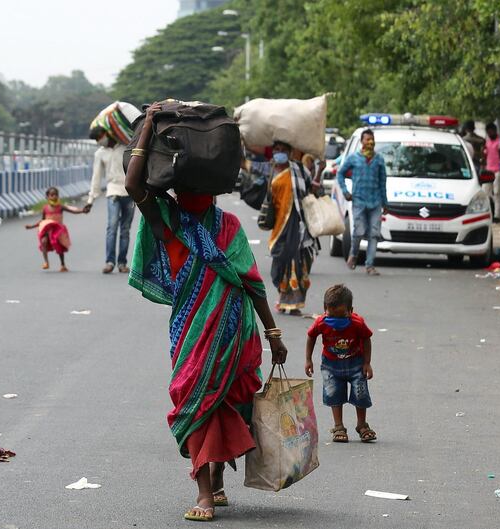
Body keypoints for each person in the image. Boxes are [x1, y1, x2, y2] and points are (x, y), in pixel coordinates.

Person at [124, 102, 289, 523]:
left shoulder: (202, 223)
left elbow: (251, 282)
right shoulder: (171, 219)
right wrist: (273, 335)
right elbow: (256, 287)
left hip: (228, 329)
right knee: (202, 399)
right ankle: (211, 481)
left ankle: (206, 492)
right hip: (199, 327)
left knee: (214, 403)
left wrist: (273, 336)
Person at [249, 141, 318, 314]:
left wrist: (320, 170)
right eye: (276, 150)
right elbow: (246, 165)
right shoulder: (269, 169)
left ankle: (294, 304)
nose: (279, 153)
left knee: (300, 263)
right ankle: (283, 296)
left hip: (299, 225)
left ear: (289, 152)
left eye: (283, 150)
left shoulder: (299, 170)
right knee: (278, 267)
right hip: (279, 226)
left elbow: (311, 188)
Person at [305, 284, 376, 443]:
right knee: (334, 394)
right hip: (331, 366)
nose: (336, 320)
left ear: (351, 310)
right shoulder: (321, 323)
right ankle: (338, 427)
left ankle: (362, 425)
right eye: (332, 315)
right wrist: (308, 359)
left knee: (360, 393)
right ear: (325, 309)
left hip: (356, 364)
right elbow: (311, 337)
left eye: (342, 316)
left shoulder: (357, 323)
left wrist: (367, 363)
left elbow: (366, 339)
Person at [336, 129, 388, 276]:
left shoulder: (379, 160)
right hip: (358, 200)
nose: (370, 142)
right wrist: (345, 191)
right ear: (362, 141)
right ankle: (353, 254)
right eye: (367, 139)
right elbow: (340, 174)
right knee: (358, 232)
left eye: (372, 139)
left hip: (376, 202)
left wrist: (385, 203)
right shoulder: (354, 158)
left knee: (374, 234)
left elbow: (383, 182)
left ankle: (370, 265)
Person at [85, 126, 136, 274]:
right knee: (112, 227)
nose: (99, 141)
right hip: (112, 191)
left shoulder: (127, 147)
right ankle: (109, 261)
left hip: (129, 192)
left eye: (98, 137)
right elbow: (96, 176)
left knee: (125, 229)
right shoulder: (100, 154)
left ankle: (122, 263)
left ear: (106, 133)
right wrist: (90, 200)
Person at [25, 187, 85, 271]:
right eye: (52, 195)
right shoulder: (45, 208)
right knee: (44, 242)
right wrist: (31, 226)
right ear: (47, 197)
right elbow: (42, 221)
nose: (54, 197)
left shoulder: (60, 207)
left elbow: (72, 211)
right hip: (47, 230)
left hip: (57, 230)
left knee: (58, 245)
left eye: (56, 195)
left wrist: (82, 211)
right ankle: (46, 262)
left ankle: (62, 265)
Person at [483, 123, 500, 219]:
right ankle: (486, 214)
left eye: (491, 131)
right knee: (485, 193)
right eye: (488, 132)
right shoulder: (487, 142)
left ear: (495, 131)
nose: (489, 133)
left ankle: (497, 215)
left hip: (498, 170)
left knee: (497, 193)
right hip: (488, 170)